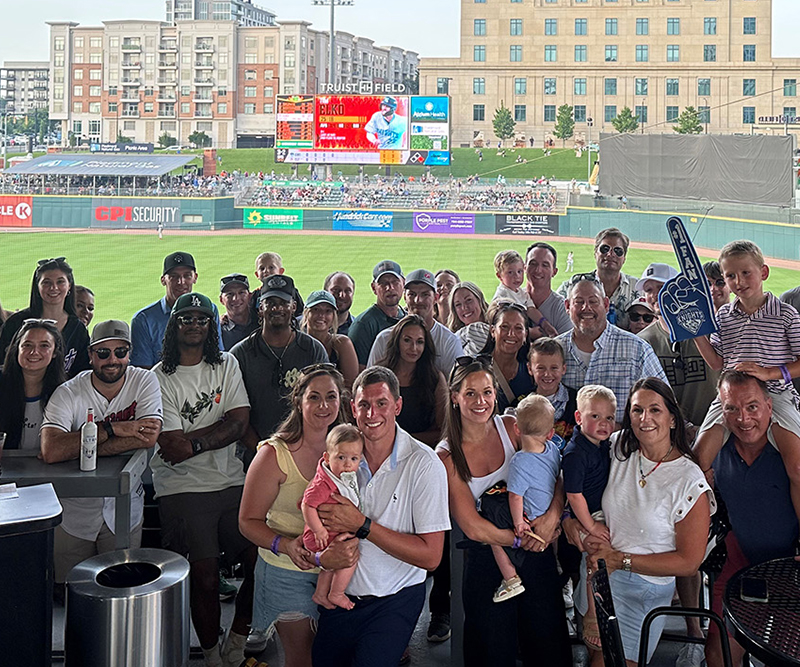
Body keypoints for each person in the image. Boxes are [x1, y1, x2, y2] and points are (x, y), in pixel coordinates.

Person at [311, 366, 450, 667]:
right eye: (364, 404)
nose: (372, 413)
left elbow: (431, 557)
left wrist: (362, 525)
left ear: (398, 406)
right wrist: (323, 558)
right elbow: (317, 523)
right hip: (340, 597)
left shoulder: (424, 464)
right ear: (352, 408)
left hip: (394, 600)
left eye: (382, 403)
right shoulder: (335, 458)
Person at [437, 358, 571, 667]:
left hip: (536, 552)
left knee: (549, 648)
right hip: (488, 561)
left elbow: (557, 473)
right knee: (491, 653)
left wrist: (552, 518)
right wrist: (518, 539)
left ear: (496, 393)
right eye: (470, 393)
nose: (480, 401)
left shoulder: (512, 427)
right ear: (455, 397)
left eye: (486, 392)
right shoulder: (446, 455)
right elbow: (471, 526)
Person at [570, 378, 714, 666]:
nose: (645, 419)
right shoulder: (616, 447)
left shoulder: (689, 480)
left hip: (642, 591)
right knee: (595, 657)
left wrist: (618, 560)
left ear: (673, 419)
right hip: (597, 578)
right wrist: (567, 522)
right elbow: (570, 470)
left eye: (655, 410)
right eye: (637, 410)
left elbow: (688, 562)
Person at [151, 293, 255, 667]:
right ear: (174, 325)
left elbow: (240, 422)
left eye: (201, 318)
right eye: (185, 318)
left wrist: (194, 440)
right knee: (207, 576)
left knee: (263, 562)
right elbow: (170, 444)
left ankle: (239, 638)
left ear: (211, 325)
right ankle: (212, 654)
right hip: (182, 487)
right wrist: (221, 427)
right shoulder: (158, 376)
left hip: (230, 481)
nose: (194, 324)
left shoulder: (226, 364)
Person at [238, 365, 355, 667]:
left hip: (340, 572)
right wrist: (286, 545)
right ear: (298, 401)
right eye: (314, 397)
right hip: (285, 573)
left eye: (331, 397)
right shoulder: (273, 455)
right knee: (302, 658)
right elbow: (247, 522)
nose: (323, 406)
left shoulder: (353, 450)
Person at [40, 320, 162, 589]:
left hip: (125, 509)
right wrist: (114, 428)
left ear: (130, 353)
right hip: (73, 512)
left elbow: (148, 437)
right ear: (91, 355)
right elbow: (51, 451)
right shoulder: (69, 391)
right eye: (104, 353)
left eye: (120, 352)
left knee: (122, 591)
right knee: (70, 591)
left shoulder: (144, 380)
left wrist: (79, 447)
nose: (112, 360)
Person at [693, 240, 800, 525]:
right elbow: (717, 363)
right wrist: (695, 332)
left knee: (798, 467)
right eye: (730, 276)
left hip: (775, 395)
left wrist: (768, 373)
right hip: (729, 397)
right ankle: (707, 527)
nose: (738, 282)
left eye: (745, 273)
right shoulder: (724, 317)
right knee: (698, 460)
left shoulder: (786, 314)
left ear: (763, 272)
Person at [705, 371, 799, 667]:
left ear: (770, 407)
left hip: (791, 568)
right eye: (732, 408)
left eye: (752, 407)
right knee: (718, 651)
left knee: (785, 655)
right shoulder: (718, 448)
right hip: (740, 559)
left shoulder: (787, 448)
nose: (743, 419)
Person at [231, 275, 329, 455]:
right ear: (261, 308)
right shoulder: (240, 354)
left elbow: (324, 404)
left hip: (303, 450)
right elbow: (235, 414)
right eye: (270, 302)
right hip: (253, 454)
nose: (277, 308)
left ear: (293, 306)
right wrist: (265, 453)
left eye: (284, 302)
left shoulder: (313, 350)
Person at [481, 395, 561, 603]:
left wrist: (518, 523)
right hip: (550, 510)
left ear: (516, 428)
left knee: (490, 522)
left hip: (530, 515)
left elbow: (515, 496)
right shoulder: (552, 449)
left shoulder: (520, 461)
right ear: (551, 433)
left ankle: (510, 577)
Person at [556, 275, 667, 424]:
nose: (586, 308)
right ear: (567, 306)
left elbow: (665, 402)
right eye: (579, 302)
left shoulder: (637, 349)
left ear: (606, 305)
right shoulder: (555, 350)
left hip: (622, 444)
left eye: (593, 301)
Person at [562, 385, 616, 654]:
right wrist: (591, 525)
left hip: (600, 509)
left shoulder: (601, 444)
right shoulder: (576, 453)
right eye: (595, 416)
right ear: (578, 417)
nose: (603, 424)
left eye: (609, 418)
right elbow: (573, 494)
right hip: (587, 514)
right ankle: (591, 614)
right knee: (595, 553)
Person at [301, 424, 364, 611]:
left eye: (354, 459)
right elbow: (307, 504)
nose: (347, 464)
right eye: (341, 457)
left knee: (329, 566)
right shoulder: (323, 483)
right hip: (320, 534)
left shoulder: (343, 478)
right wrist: (318, 530)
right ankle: (336, 593)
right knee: (349, 559)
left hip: (330, 533)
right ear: (327, 458)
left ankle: (321, 594)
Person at [0, 257, 90, 379]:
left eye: (60, 282)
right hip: (18, 394)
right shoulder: (16, 323)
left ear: (69, 286)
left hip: (63, 395)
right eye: (46, 282)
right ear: (37, 286)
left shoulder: (77, 328)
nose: (53, 287)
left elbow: (82, 372)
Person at [130, 251, 222, 369]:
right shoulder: (143, 319)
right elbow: (143, 371)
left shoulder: (209, 309)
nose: (181, 282)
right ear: (163, 280)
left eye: (187, 275)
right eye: (174, 276)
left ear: (195, 277)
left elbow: (216, 353)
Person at [368, 269, 464, 377]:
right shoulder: (384, 338)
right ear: (404, 297)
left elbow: (455, 385)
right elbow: (370, 382)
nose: (418, 300)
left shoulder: (449, 341)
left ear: (435, 298)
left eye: (425, 294)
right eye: (412, 294)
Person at [375, 313, 448, 447]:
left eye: (419, 342)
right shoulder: (379, 374)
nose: (414, 348)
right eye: (407, 340)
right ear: (397, 341)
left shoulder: (435, 378)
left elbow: (442, 431)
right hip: (381, 448)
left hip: (422, 450)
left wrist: (401, 441)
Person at [0, 319, 65, 451]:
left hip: (50, 469)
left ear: (55, 353)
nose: (34, 352)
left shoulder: (64, 392)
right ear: (16, 349)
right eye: (27, 345)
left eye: (44, 345)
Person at [557, 228, 639, 331]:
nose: (610, 254)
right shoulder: (571, 287)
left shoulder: (639, 289)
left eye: (618, 251)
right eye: (605, 249)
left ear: (624, 258)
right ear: (595, 253)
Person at [347, 260, 406, 368]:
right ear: (374, 288)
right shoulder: (363, 324)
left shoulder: (406, 317)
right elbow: (360, 371)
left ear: (403, 283)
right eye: (383, 283)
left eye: (395, 282)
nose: (390, 288)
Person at [483, 301, 535, 414]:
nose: (511, 334)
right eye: (504, 327)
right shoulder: (477, 367)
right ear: (493, 331)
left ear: (525, 335)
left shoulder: (531, 371)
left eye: (518, 328)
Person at [492, 250, 558, 338]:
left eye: (519, 271)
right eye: (510, 272)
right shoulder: (502, 297)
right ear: (499, 276)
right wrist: (530, 332)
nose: (516, 276)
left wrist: (545, 324)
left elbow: (530, 309)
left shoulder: (522, 292)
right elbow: (505, 324)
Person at [301, 290, 358, 388]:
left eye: (328, 311)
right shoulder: (296, 342)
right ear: (306, 314)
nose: (321, 315)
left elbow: (351, 385)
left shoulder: (342, 344)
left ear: (333, 317)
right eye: (315, 309)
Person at [528, 337, 578, 442]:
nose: (547, 374)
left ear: (563, 369)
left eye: (554, 368)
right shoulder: (521, 404)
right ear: (530, 369)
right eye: (541, 368)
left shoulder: (577, 402)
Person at [524, 242, 573, 335]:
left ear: (554, 272)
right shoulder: (512, 297)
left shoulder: (562, 308)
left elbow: (565, 347)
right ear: (524, 267)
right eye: (533, 264)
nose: (538, 270)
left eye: (545, 265)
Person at [251, 252, 304, 321]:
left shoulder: (291, 291)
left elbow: (300, 313)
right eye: (262, 268)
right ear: (256, 274)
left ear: (281, 271)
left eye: (271, 267)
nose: (266, 271)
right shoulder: (256, 294)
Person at [448, 281, 491, 356]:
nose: (464, 307)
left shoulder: (497, 326)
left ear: (479, 299)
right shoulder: (454, 336)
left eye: (469, 300)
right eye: (458, 305)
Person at [219, 273, 258, 351]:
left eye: (241, 293)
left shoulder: (262, 324)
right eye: (229, 294)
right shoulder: (218, 332)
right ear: (221, 300)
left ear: (250, 296)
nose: (235, 298)